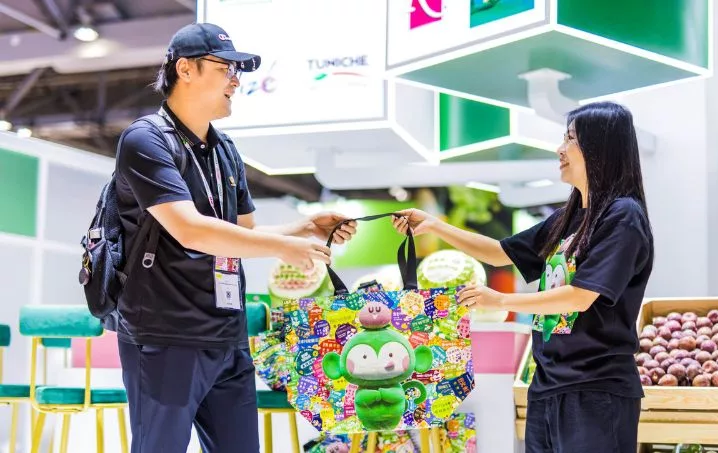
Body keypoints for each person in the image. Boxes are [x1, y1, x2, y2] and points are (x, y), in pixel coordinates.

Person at [114, 23, 357, 453]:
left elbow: (244, 233)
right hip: (167, 335)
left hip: (227, 334)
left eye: (237, 71)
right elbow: (189, 229)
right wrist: (284, 247)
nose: (235, 80)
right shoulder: (145, 140)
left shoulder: (225, 149)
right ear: (184, 69)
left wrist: (304, 228)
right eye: (225, 68)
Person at [393, 101, 654, 453]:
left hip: (596, 388)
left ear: (600, 147)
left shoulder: (623, 215)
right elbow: (499, 253)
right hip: (547, 385)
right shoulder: (568, 218)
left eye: (571, 139)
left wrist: (500, 300)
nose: (560, 149)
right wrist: (434, 225)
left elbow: (581, 296)